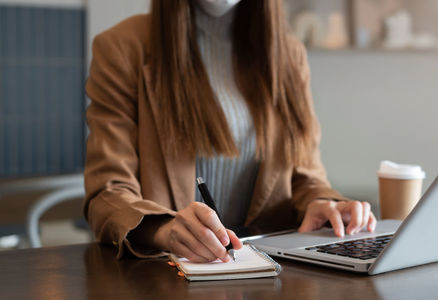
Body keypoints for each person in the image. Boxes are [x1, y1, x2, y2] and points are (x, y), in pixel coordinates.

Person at [84, 0, 376, 263]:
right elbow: (107, 193)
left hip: (269, 273)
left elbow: (304, 176)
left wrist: (323, 205)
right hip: (168, 276)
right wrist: (164, 228)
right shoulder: (122, 47)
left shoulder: (289, 55)